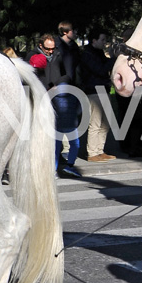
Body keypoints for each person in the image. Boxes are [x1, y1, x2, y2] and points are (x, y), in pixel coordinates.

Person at [79, 28, 117, 162]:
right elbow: (100, 70)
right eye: (102, 40)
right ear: (94, 40)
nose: (104, 43)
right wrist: (112, 59)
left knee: (105, 123)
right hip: (93, 90)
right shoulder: (87, 54)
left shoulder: (98, 53)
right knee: (95, 122)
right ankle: (92, 152)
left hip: (102, 89)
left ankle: (100, 150)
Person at [53, 21, 81, 177]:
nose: (75, 33)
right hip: (59, 88)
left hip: (72, 88)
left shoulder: (73, 47)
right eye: (73, 30)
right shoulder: (57, 47)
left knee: (70, 134)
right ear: (65, 32)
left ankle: (66, 164)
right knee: (59, 135)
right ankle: (56, 166)